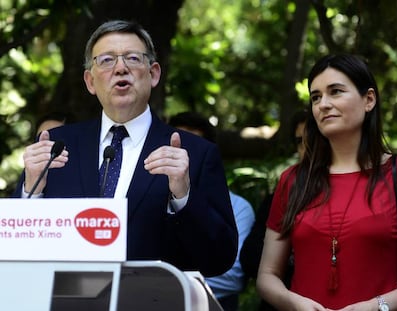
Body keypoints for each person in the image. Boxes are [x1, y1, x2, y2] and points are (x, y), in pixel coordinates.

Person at [12, 20, 238, 278]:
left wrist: (183, 195)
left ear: (153, 74)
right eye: (107, 60)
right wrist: (31, 191)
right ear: (90, 81)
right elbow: (17, 251)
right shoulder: (55, 147)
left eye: (132, 58)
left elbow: (219, 258)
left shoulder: (194, 154)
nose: (120, 68)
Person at [256, 54, 397, 310]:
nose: (323, 104)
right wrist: (295, 303)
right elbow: (266, 276)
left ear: (369, 100)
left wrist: (377, 307)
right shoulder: (293, 180)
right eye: (316, 97)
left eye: (336, 92)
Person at [169, 111, 256, 311]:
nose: (182, 155)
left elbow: (233, 278)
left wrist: (163, 281)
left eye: (192, 147)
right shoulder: (148, 198)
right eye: (175, 146)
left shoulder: (238, 208)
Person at [239, 109, 307, 311]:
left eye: (314, 139)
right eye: (300, 141)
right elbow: (250, 258)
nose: (306, 148)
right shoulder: (283, 192)